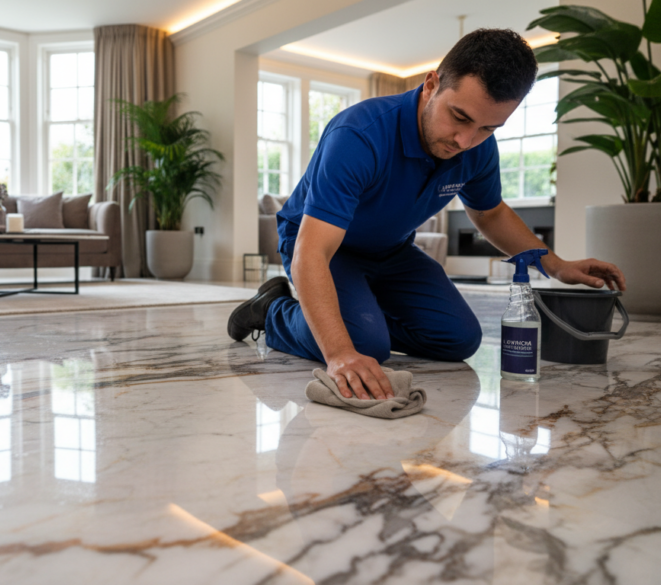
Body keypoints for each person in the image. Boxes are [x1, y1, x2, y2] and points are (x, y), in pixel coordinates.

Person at [227, 29, 626, 401]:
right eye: (460, 117)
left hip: (391, 251)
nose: (465, 141)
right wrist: (340, 352)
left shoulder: (477, 148)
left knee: (459, 339)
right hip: (325, 247)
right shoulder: (359, 136)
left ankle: (360, 317)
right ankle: (274, 310)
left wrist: (555, 266)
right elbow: (311, 255)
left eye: (489, 128)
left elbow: (490, 214)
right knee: (364, 346)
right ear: (432, 84)